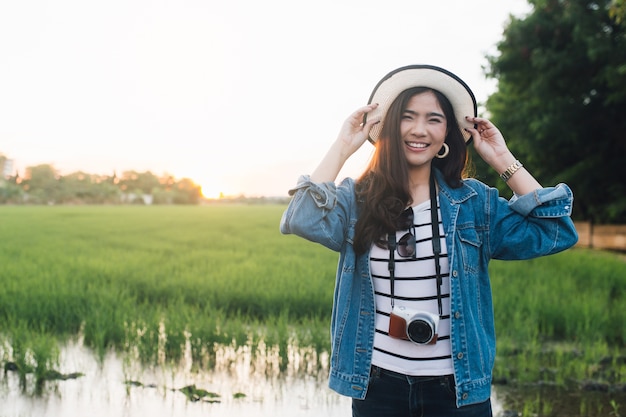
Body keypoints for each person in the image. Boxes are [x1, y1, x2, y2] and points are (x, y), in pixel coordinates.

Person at [279, 64, 578, 417]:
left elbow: (556, 231)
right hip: (377, 388)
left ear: (447, 134)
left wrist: (503, 160)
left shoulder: (473, 204)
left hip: (456, 391)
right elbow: (301, 217)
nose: (419, 130)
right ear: (391, 127)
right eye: (408, 117)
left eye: (434, 119)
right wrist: (343, 146)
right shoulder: (357, 200)